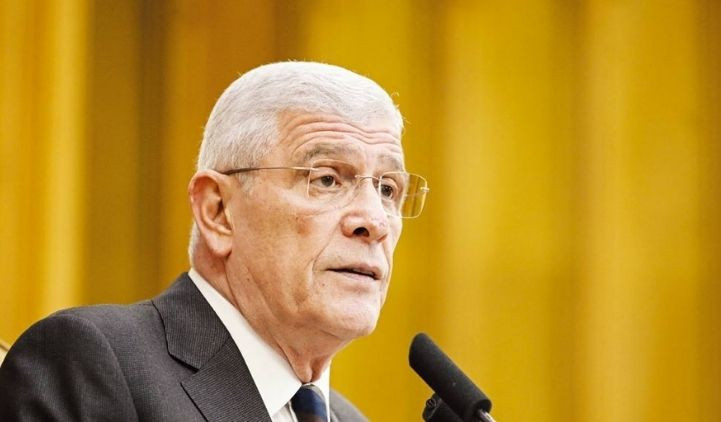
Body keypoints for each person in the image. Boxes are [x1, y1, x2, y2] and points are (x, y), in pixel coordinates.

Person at [0, 62, 429, 421]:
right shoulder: (93, 363)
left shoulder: (348, 418)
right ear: (218, 211)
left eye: (387, 189)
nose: (374, 221)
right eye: (327, 179)